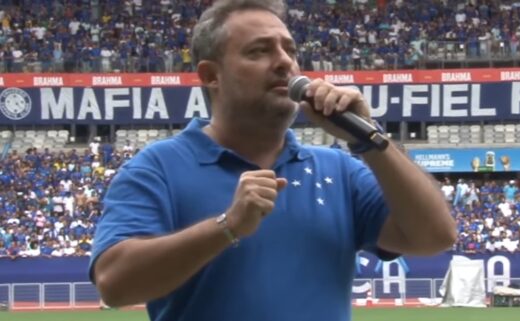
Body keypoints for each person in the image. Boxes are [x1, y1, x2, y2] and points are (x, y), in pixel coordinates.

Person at [89, 1, 456, 320]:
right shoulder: (157, 168)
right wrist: (226, 226)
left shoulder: (340, 169)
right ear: (211, 76)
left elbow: (436, 236)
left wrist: (369, 137)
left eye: (289, 50)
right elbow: (115, 286)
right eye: (259, 51)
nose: (284, 62)